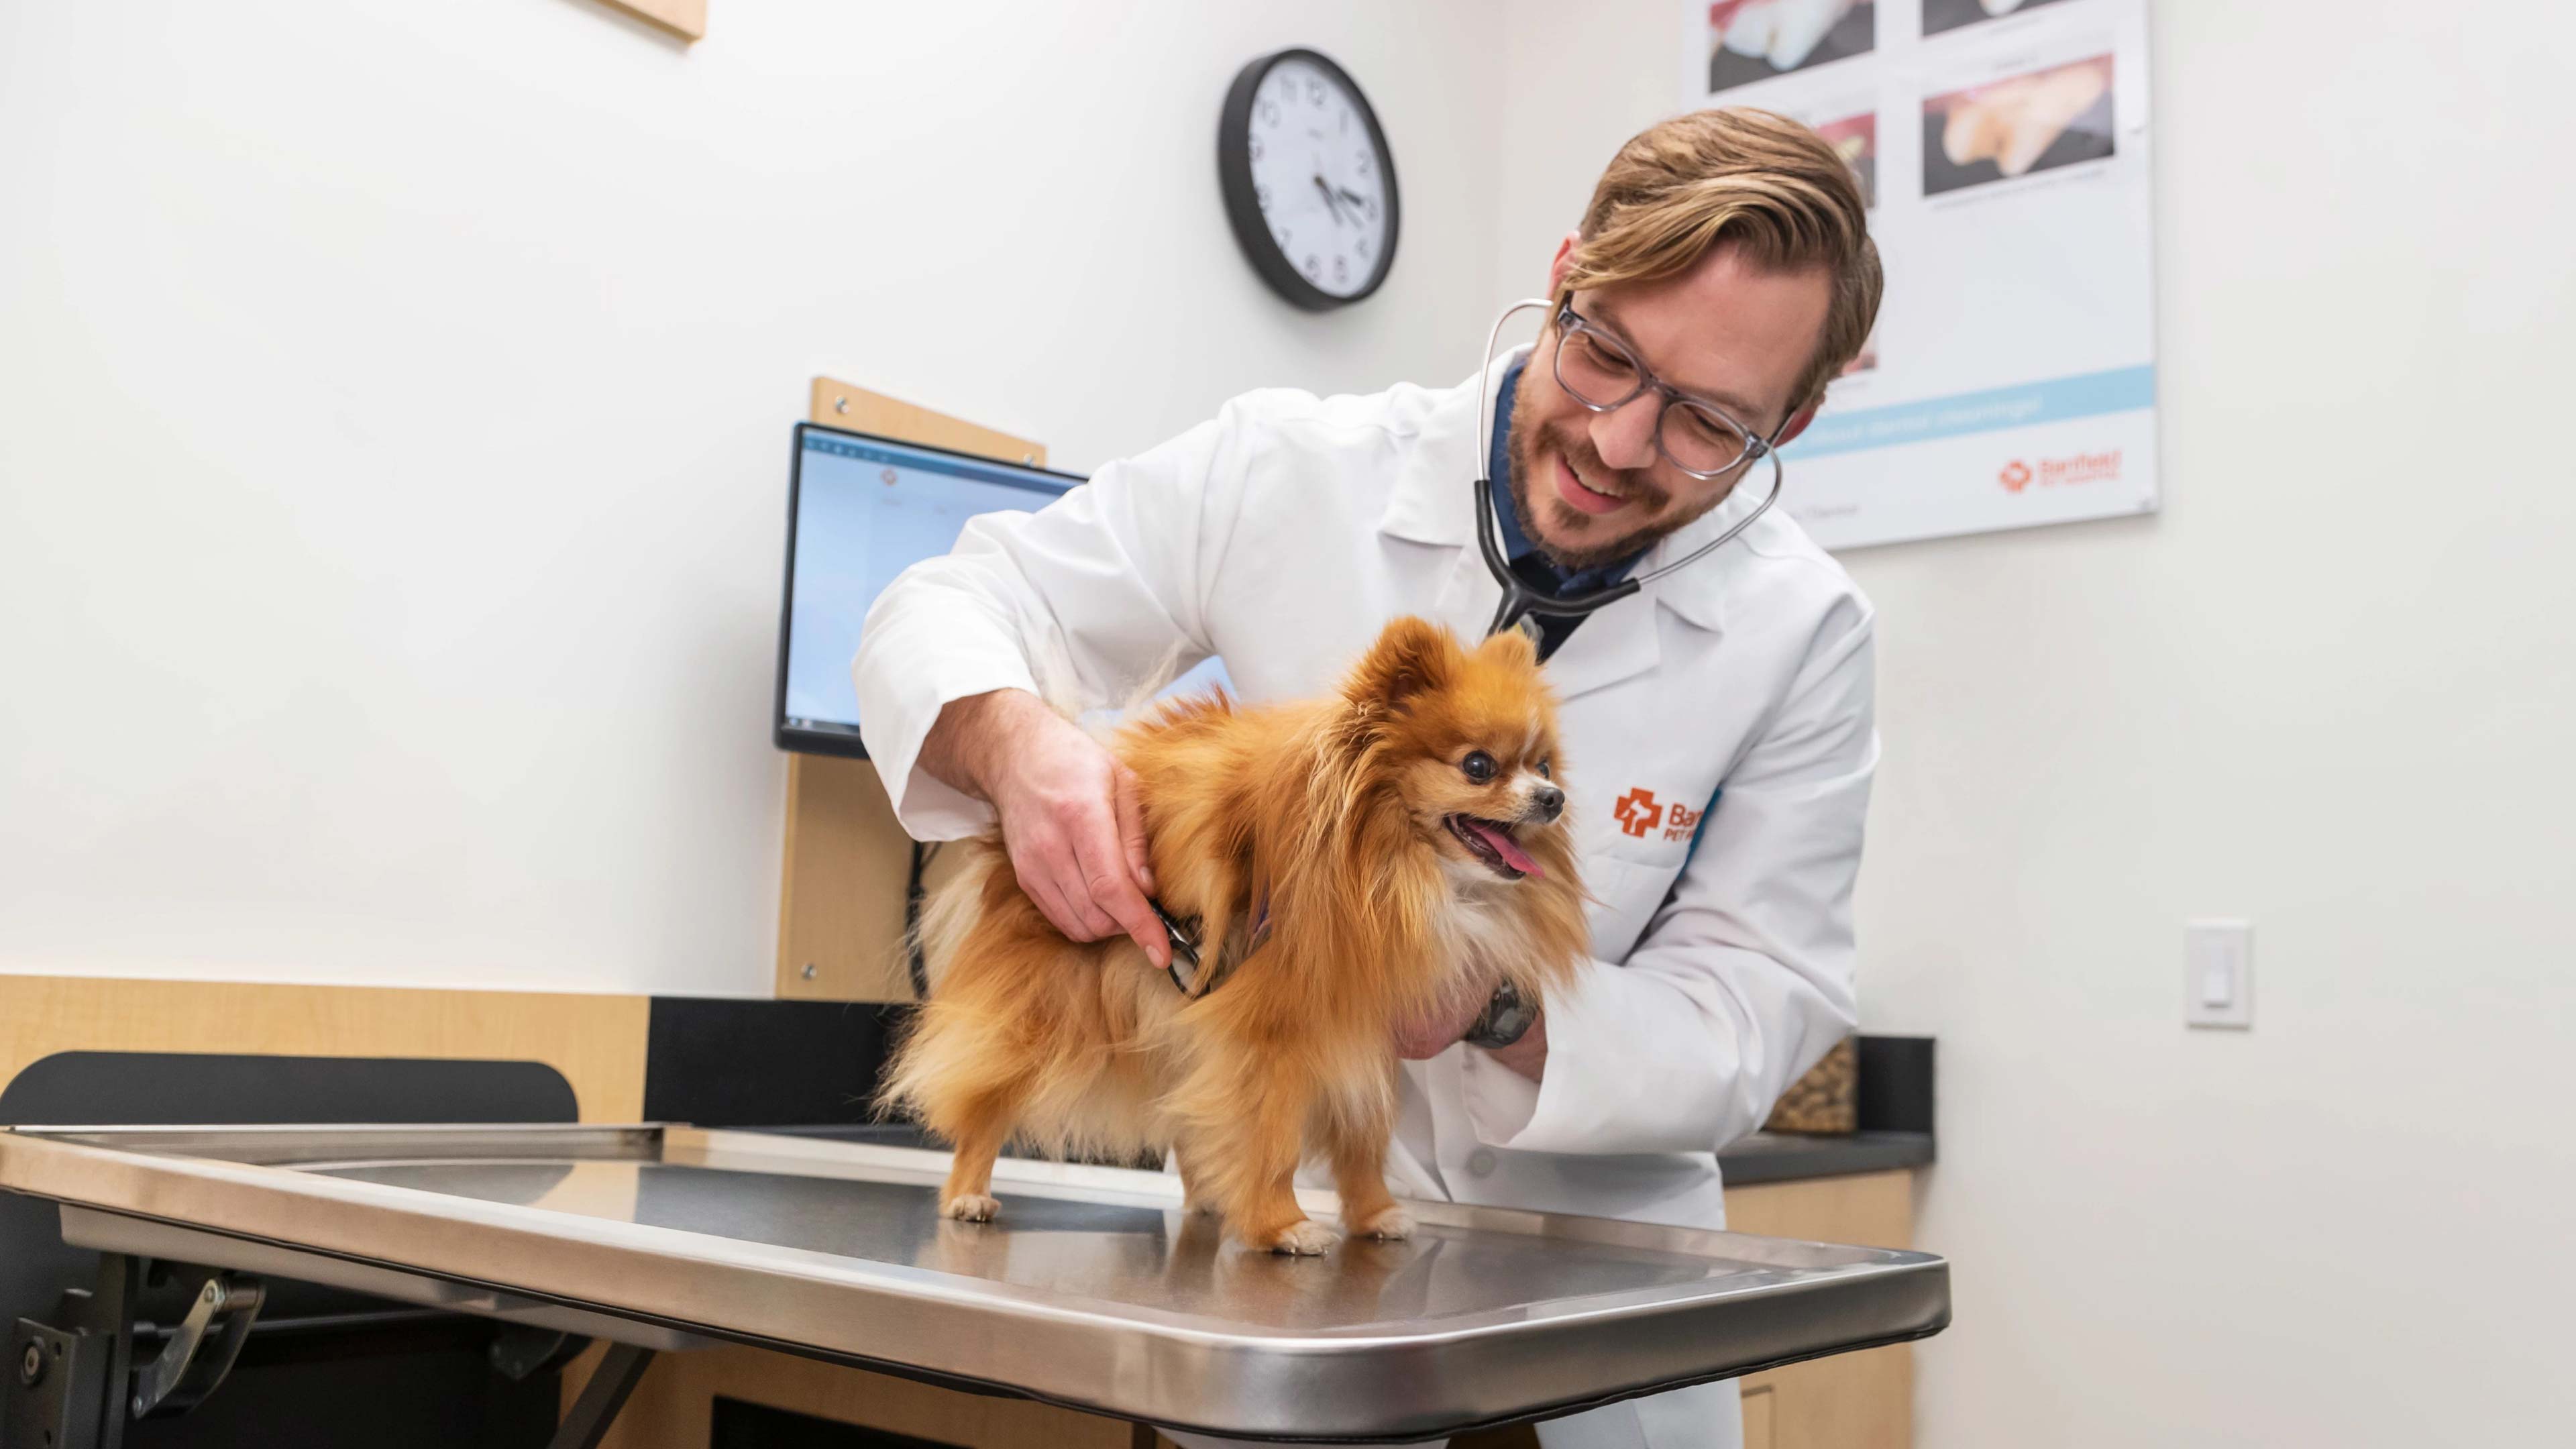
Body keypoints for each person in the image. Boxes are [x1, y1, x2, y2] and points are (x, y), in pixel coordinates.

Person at [854, 107, 1884, 1449]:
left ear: (1795, 416)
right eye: (1606, 355)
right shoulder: (1289, 468)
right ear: (1568, 271)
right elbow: (956, 599)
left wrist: (1487, 1007)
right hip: (1289, 1248)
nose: (1621, 443)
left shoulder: (1802, 632)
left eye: (1707, 424)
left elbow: (1760, 1005)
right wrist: (1018, 744)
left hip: (1594, 1264)